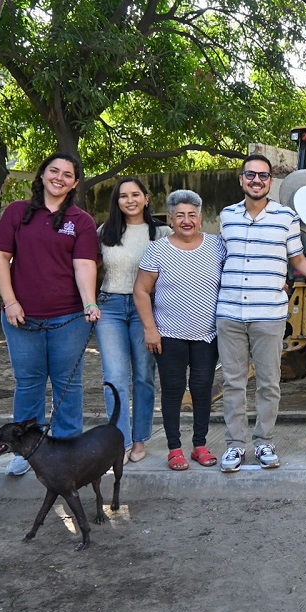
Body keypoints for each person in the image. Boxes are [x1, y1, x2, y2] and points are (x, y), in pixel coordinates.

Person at [216, 154, 306, 472]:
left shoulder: (286, 217)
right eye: (251, 175)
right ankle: (235, 446)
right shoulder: (227, 216)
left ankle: (264, 442)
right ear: (241, 179)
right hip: (230, 312)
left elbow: (298, 260)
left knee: (269, 382)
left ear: (270, 182)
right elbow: (220, 260)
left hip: (269, 313)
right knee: (233, 382)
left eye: (263, 176)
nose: (257, 181)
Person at [0, 152, 101, 477]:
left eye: (68, 174)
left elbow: (84, 266)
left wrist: (90, 303)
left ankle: (68, 452)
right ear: (42, 175)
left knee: (68, 385)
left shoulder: (81, 221)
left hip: (68, 319)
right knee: (29, 384)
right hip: (21, 319)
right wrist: (10, 302)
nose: (60, 177)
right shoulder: (17, 213)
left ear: (75, 183)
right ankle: (25, 451)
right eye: (54, 171)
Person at [134, 190, 224, 471]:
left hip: (207, 335)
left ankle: (199, 445)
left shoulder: (217, 246)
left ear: (201, 218)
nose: (187, 220)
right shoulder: (158, 249)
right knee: (172, 390)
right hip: (169, 335)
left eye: (192, 215)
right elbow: (141, 290)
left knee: (202, 389)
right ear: (170, 219)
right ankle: (174, 448)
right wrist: (150, 329)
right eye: (180, 215)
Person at [96, 177, 171, 464]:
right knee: (114, 377)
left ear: (147, 198)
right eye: (123, 196)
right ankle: (120, 441)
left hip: (148, 309)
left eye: (135, 194)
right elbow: (88, 268)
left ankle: (140, 439)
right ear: (117, 202)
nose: (130, 200)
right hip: (111, 307)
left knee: (143, 375)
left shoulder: (162, 233)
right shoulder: (105, 232)